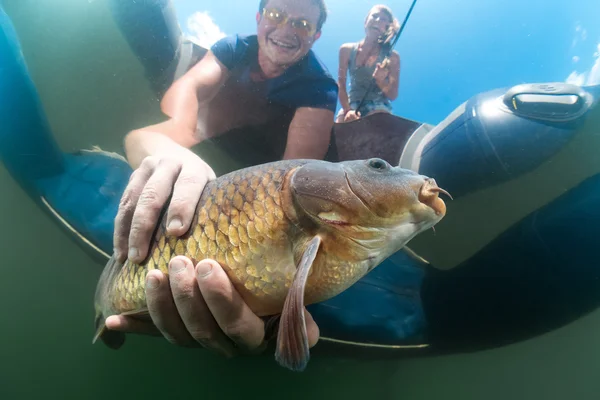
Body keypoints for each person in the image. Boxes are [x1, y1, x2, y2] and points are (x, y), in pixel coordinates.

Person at [104, 0, 335, 359]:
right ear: (259, 19)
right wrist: (177, 144)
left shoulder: (320, 88)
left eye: (302, 24)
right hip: (218, 136)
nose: (287, 29)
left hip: (266, 159)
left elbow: (293, 180)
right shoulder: (234, 46)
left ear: (316, 35)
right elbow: (182, 100)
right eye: (276, 16)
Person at [336, 4, 400, 123]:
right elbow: (341, 83)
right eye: (374, 16)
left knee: (376, 125)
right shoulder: (346, 50)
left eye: (383, 19)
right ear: (366, 21)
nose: (377, 20)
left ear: (387, 27)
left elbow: (393, 95)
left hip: (379, 106)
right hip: (351, 105)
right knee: (339, 128)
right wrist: (347, 110)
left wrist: (381, 82)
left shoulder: (393, 57)